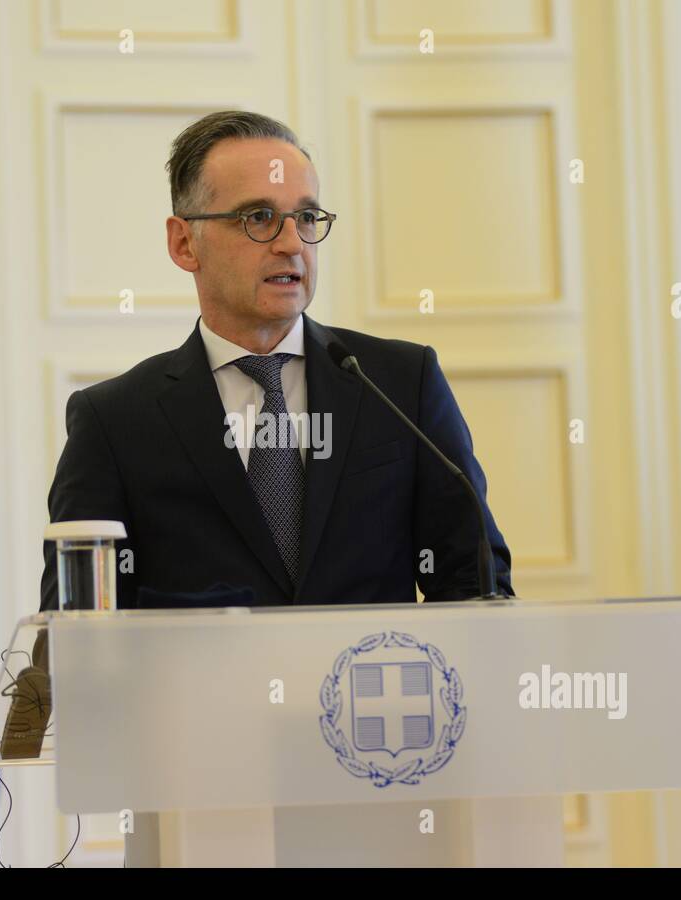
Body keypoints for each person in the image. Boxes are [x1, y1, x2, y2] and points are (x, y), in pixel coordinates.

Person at [40, 110, 513, 611]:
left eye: (307, 217)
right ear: (184, 243)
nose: (292, 244)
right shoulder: (114, 421)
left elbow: (473, 577)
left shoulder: (401, 383)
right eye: (258, 218)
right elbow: (77, 627)